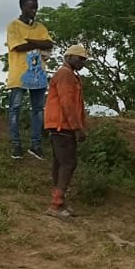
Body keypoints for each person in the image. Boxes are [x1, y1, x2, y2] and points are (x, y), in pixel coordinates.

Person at [5, 0, 55, 161]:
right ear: (22, 7)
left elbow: (49, 44)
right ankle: (16, 144)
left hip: (38, 74)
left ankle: (36, 145)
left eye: (35, 6)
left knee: (38, 110)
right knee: (15, 109)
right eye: (30, 7)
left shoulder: (40, 27)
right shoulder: (13, 26)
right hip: (19, 73)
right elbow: (18, 46)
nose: (34, 10)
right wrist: (37, 43)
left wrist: (30, 41)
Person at [42, 45, 90, 219]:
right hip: (63, 126)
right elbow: (67, 104)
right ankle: (55, 205)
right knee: (68, 163)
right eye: (80, 59)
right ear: (69, 57)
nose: (82, 63)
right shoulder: (65, 74)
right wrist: (78, 128)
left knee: (61, 163)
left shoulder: (70, 75)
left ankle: (59, 201)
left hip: (60, 125)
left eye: (84, 60)